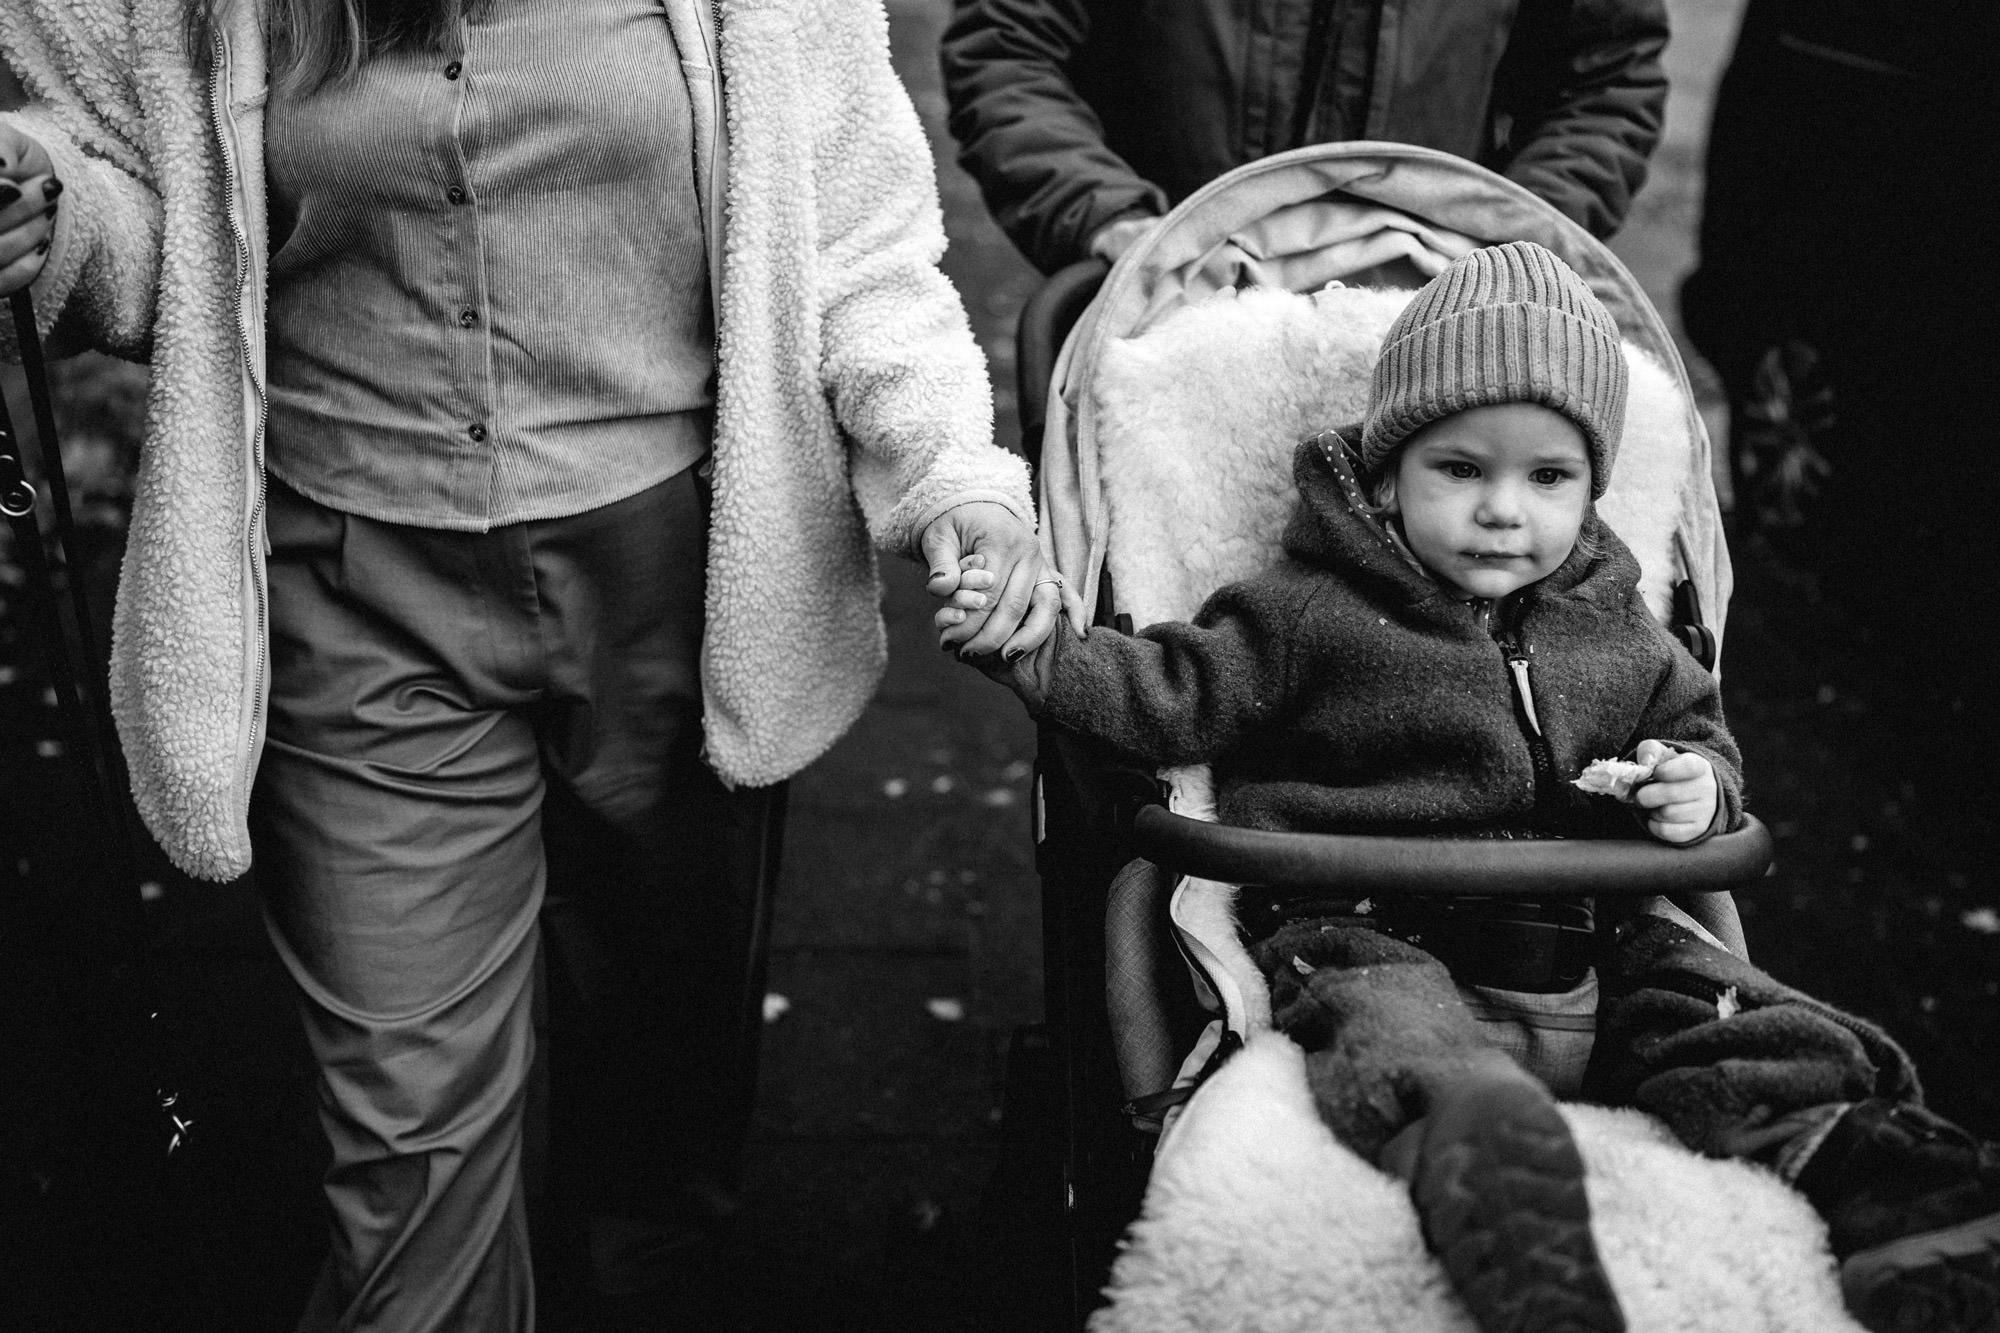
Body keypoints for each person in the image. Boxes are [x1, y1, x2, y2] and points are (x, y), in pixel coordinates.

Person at [0, 0, 1059, 1329]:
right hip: (351, 598)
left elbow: (852, 240)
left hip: (677, 593)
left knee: (658, 1116)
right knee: (409, 1183)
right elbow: (162, 228)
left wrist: (952, 479)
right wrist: (55, 207)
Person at [943, 242, 2000, 1333]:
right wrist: (1026, 650)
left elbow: (1696, 732)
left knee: (1744, 1021)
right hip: (1364, 915)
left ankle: (1895, 1198)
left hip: (1590, 929)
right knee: (1387, 1029)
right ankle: (1491, 1176)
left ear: (1591, 487)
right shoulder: (1310, 608)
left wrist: (1693, 787)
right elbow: (1169, 689)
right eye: (1460, 469)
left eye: (1547, 478)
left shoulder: (1618, 625)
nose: (1505, 511)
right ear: (1389, 472)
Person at [938, 0, 1670, 273]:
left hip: (1425, 319)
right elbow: (1008, 47)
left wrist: (1508, 239)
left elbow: (1606, 76)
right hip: (1165, 314)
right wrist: (1105, 216)